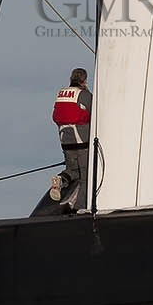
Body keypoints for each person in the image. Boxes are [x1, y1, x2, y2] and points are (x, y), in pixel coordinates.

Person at [51, 68, 92, 210]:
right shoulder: (84, 95)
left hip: (65, 141)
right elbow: (95, 113)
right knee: (86, 176)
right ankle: (79, 207)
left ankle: (60, 180)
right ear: (84, 80)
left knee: (73, 171)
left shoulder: (61, 94)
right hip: (82, 141)